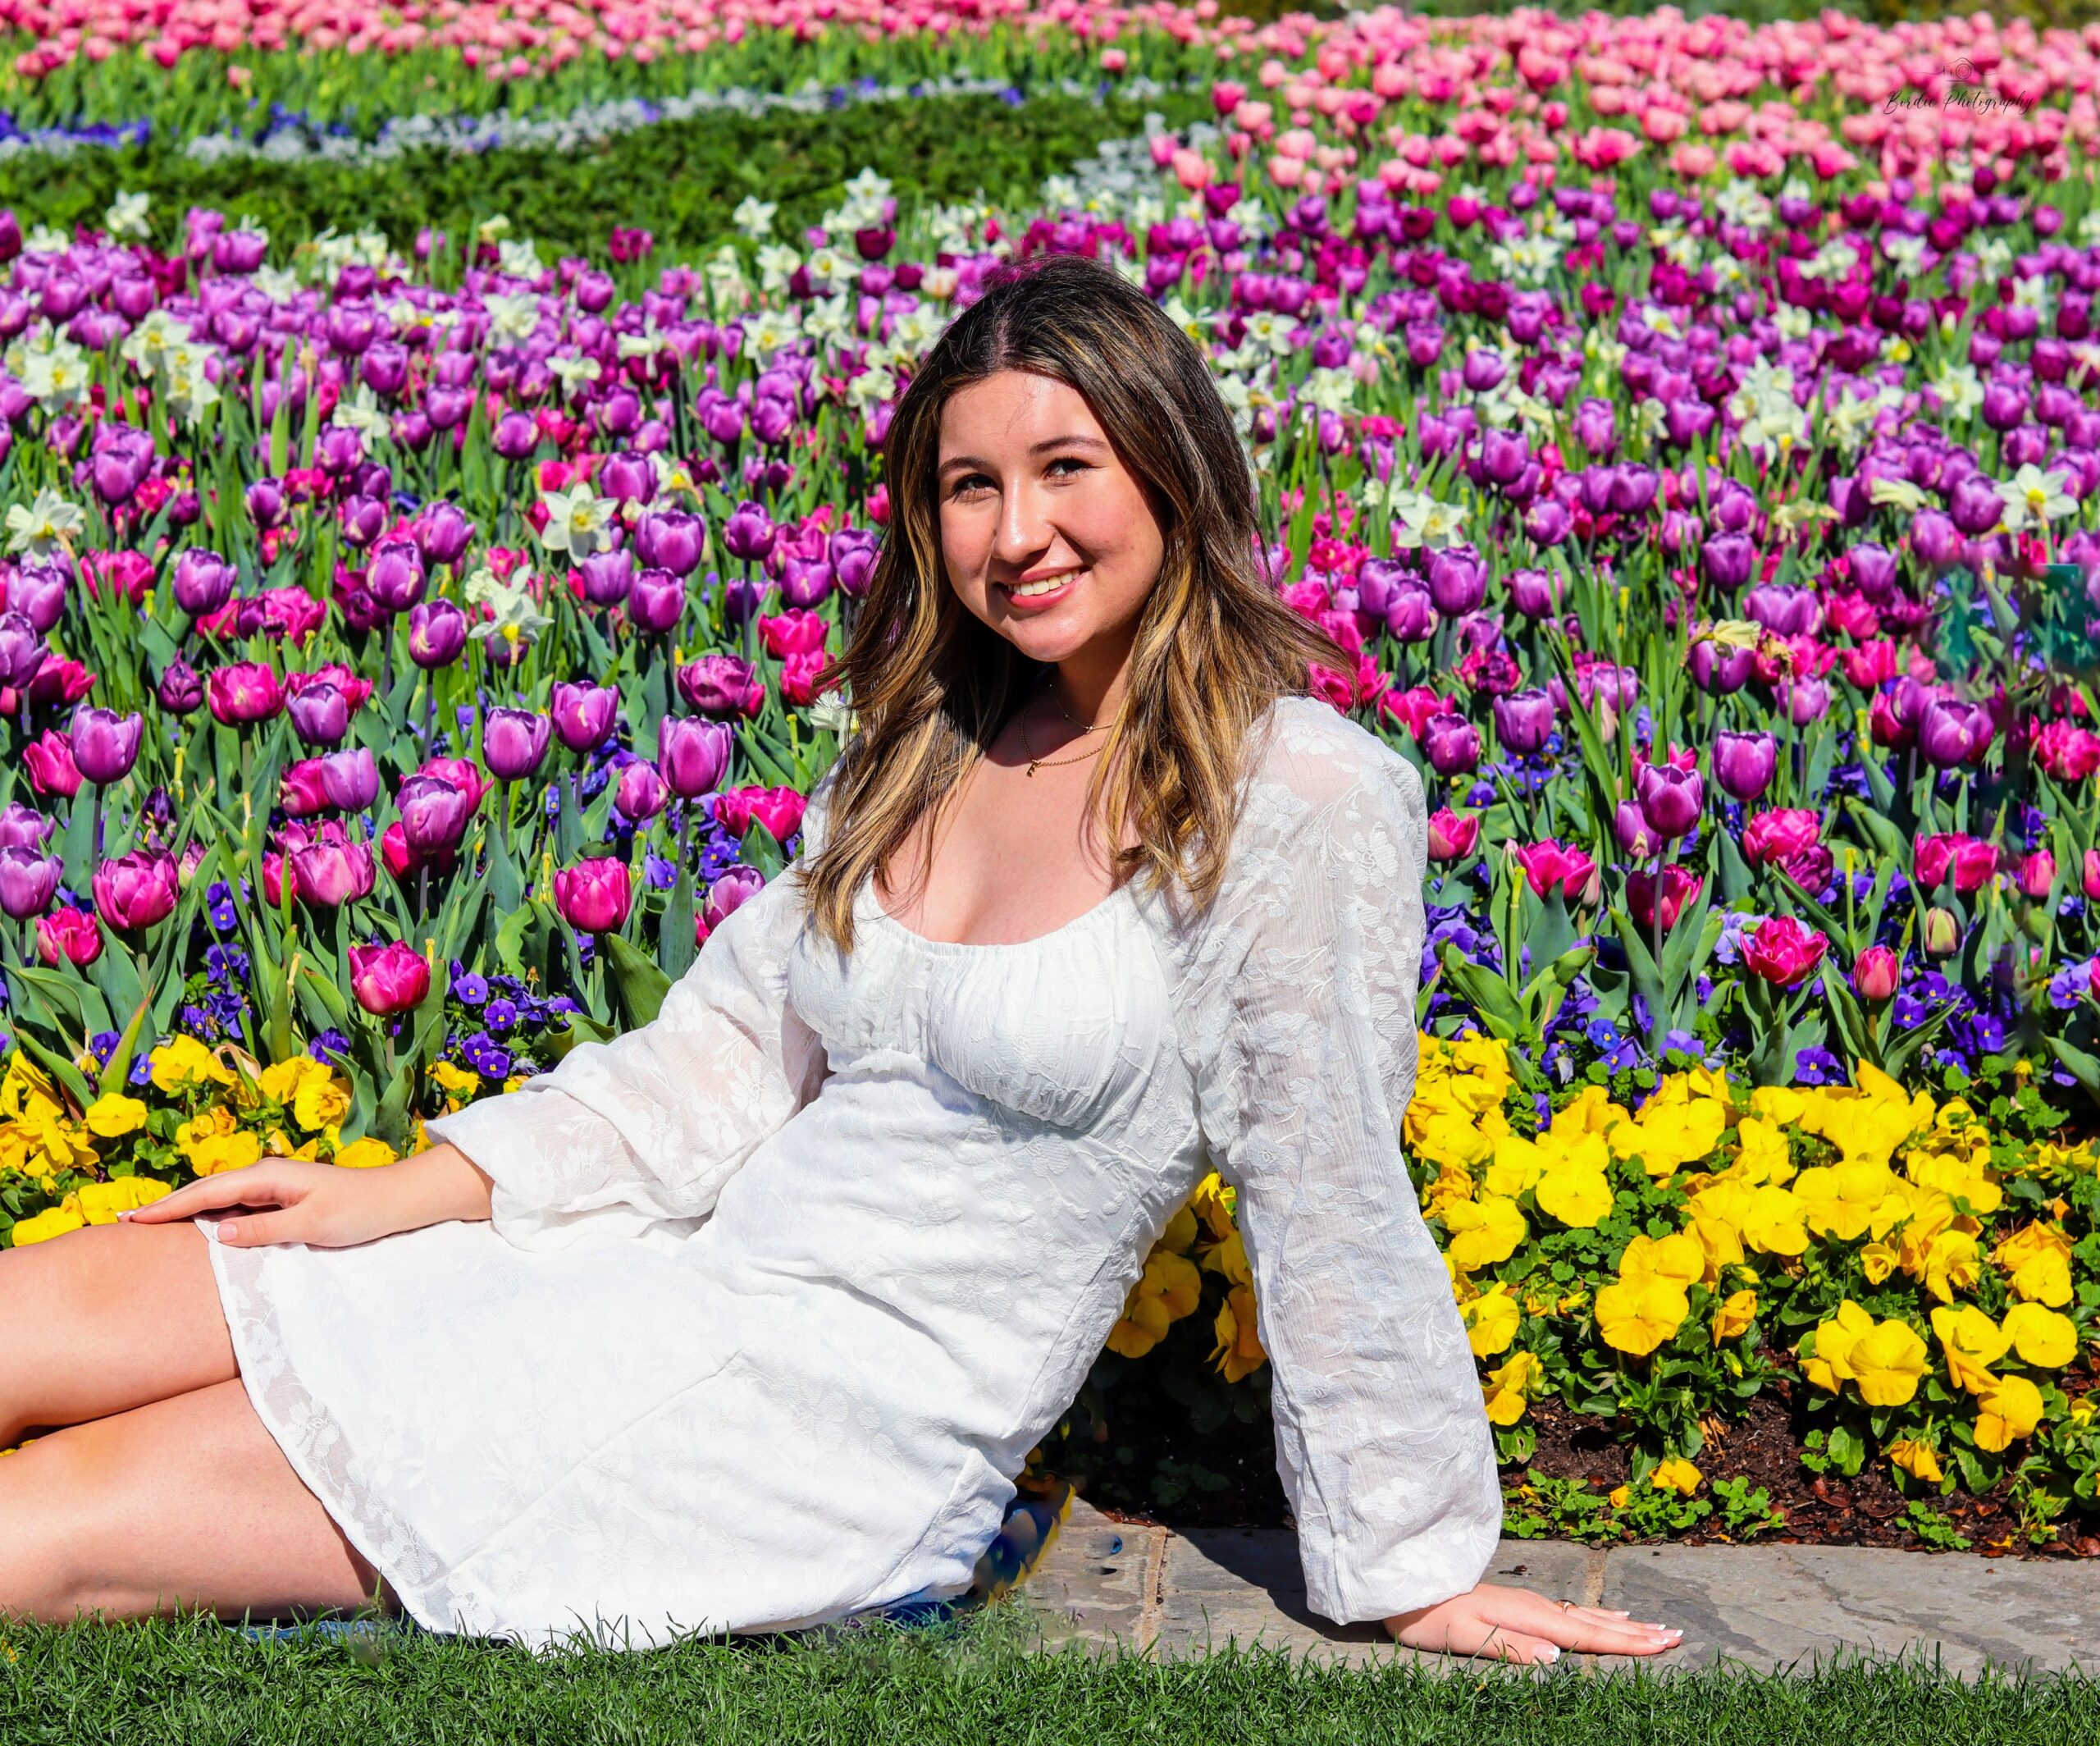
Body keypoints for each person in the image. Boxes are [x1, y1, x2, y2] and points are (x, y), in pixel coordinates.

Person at [0, 252, 1682, 1666]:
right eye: (970, 485)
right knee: (42, 1315)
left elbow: (1328, 1189)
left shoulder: (1291, 796)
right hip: (656, 1270)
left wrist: (1408, 1561)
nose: (1015, 532)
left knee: (49, 1518)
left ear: (1174, 469)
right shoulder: (936, 744)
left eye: (1066, 467)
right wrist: (404, 1192)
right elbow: (723, 1057)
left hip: (809, 1424)